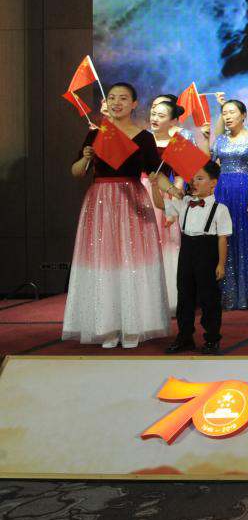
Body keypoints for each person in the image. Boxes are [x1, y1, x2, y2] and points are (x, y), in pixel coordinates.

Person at [63, 83, 170, 348]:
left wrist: (169, 188)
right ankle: (107, 326)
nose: (116, 103)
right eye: (112, 98)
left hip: (131, 199)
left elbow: (155, 172)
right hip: (100, 203)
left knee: (131, 262)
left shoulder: (144, 137)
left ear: (134, 104)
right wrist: (86, 157)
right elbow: (76, 172)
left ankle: (133, 326)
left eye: (123, 98)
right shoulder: (96, 134)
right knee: (105, 262)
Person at [151, 162, 232, 354]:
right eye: (193, 178)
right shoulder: (185, 202)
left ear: (213, 183)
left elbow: (222, 239)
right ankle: (185, 337)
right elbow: (160, 204)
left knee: (209, 297)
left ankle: (212, 338)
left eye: (200, 178)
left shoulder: (220, 209)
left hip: (207, 252)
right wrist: (154, 186)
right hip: (187, 250)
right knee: (184, 294)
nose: (194, 182)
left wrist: (221, 264)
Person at [210, 99, 248, 310]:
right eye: (224, 113)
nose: (227, 116)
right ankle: (228, 294)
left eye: (232, 112)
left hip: (247, 192)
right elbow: (208, 165)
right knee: (225, 238)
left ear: (243, 115)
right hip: (223, 192)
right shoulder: (220, 140)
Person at [147, 97, 199, 307]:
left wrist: (173, 207)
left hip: (163, 194)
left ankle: (167, 297)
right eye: (153, 114)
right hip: (140, 191)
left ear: (173, 121)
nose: (155, 118)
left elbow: (179, 178)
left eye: (161, 116)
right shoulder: (142, 140)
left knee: (166, 244)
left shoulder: (177, 144)